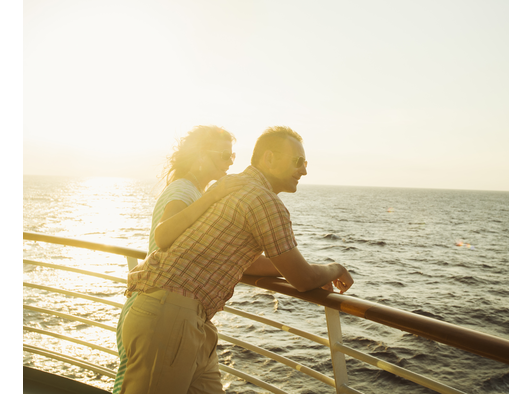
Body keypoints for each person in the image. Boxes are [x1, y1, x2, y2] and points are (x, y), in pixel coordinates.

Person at [120, 126, 354, 394]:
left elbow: (245, 261)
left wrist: (290, 270)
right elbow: (304, 280)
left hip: (182, 317)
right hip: (172, 317)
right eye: (298, 161)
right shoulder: (264, 201)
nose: (304, 170)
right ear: (269, 158)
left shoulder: (233, 188)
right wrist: (335, 268)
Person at [112, 125, 244, 394]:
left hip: (180, 313)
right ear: (200, 156)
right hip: (159, 308)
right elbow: (165, 235)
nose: (229, 163)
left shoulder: (194, 193)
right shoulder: (184, 191)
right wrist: (215, 195)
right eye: (223, 155)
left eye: (231, 157)